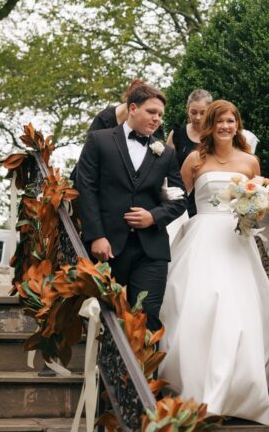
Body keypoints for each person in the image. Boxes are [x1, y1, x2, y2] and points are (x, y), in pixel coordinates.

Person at [159, 100, 269, 424]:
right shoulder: (195, 159)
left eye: (231, 120)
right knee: (199, 305)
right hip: (202, 238)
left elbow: (261, 199)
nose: (226, 126)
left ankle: (237, 390)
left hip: (237, 241)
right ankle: (196, 390)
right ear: (209, 125)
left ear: (237, 124)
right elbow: (175, 198)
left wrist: (257, 210)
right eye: (220, 121)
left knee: (247, 312)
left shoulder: (249, 161)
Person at [76, 83, 186, 332]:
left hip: (151, 252)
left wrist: (154, 216)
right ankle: (104, 370)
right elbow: (87, 189)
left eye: (160, 115)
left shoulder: (165, 154)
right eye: (152, 112)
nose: (157, 119)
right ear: (133, 108)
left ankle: (142, 372)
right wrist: (97, 236)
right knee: (102, 315)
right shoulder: (99, 140)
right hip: (109, 247)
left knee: (147, 317)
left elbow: (179, 199)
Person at [167, 89, 213, 219]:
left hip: (207, 197)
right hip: (181, 194)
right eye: (193, 112)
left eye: (203, 113)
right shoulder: (176, 134)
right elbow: (165, 165)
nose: (197, 117)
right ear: (187, 110)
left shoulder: (216, 135)